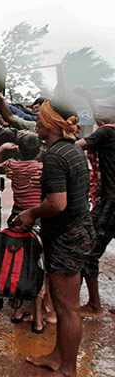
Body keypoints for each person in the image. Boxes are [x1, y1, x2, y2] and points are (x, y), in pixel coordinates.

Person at [12, 100, 94, 377]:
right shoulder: (70, 150)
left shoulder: (55, 156)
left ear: (50, 123)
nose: (36, 121)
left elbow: (57, 204)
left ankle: (68, 368)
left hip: (66, 237)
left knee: (67, 308)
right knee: (62, 304)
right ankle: (57, 356)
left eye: (40, 117)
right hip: (77, 231)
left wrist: (31, 213)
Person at [0, 133, 49, 333]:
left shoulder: (12, 165)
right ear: (38, 151)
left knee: (20, 263)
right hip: (38, 217)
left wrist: (3, 148)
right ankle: (38, 319)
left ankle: (18, 310)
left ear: (18, 150)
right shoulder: (42, 168)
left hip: (17, 216)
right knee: (38, 266)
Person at [77, 119, 115, 316]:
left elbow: (76, 148)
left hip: (111, 201)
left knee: (88, 248)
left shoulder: (106, 133)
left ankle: (94, 305)